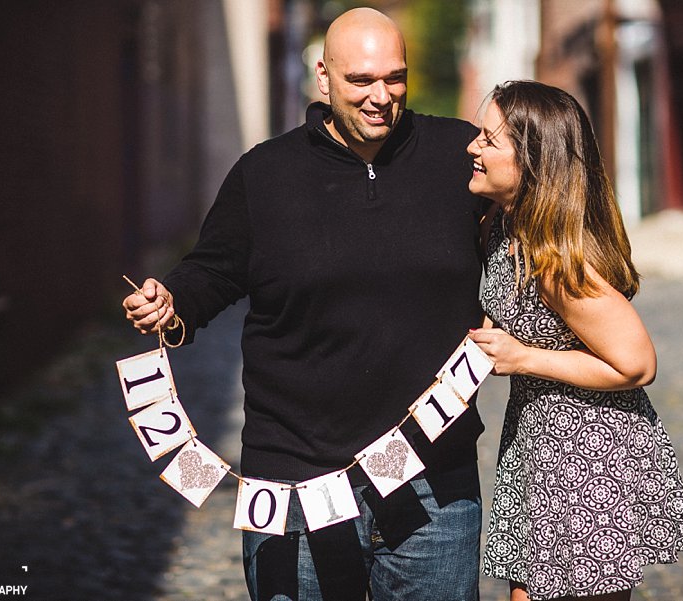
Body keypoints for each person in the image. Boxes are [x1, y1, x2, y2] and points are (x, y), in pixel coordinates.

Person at [122, 7, 488, 601]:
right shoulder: (264, 174)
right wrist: (173, 302)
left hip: (433, 480)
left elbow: (542, 219)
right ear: (324, 76)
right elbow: (212, 271)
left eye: (394, 78)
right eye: (360, 81)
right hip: (293, 478)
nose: (381, 97)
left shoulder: (458, 157)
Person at [466, 81, 683, 601]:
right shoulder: (504, 225)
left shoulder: (558, 262)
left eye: (488, 140)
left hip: (587, 457)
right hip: (539, 444)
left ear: (531, 164)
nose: (473, 148)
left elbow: (637, 364)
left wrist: (523, 357)